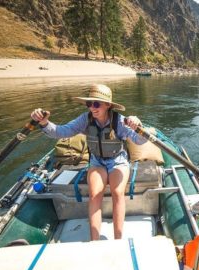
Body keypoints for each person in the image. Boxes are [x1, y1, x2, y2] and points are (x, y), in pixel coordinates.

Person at [31, 84, 146, 240]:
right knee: (94, 194)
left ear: (108, 105)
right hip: (97, 161)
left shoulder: (119, 121)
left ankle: (118, 239)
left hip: (117, 161)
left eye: (96, 103)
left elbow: (139, 140)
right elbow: (61, 131)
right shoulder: (85, 119)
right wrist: (44, 123)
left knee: (118, 193)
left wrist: (138, 126)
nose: (92, 107)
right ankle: (95, 240)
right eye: (89, 103)